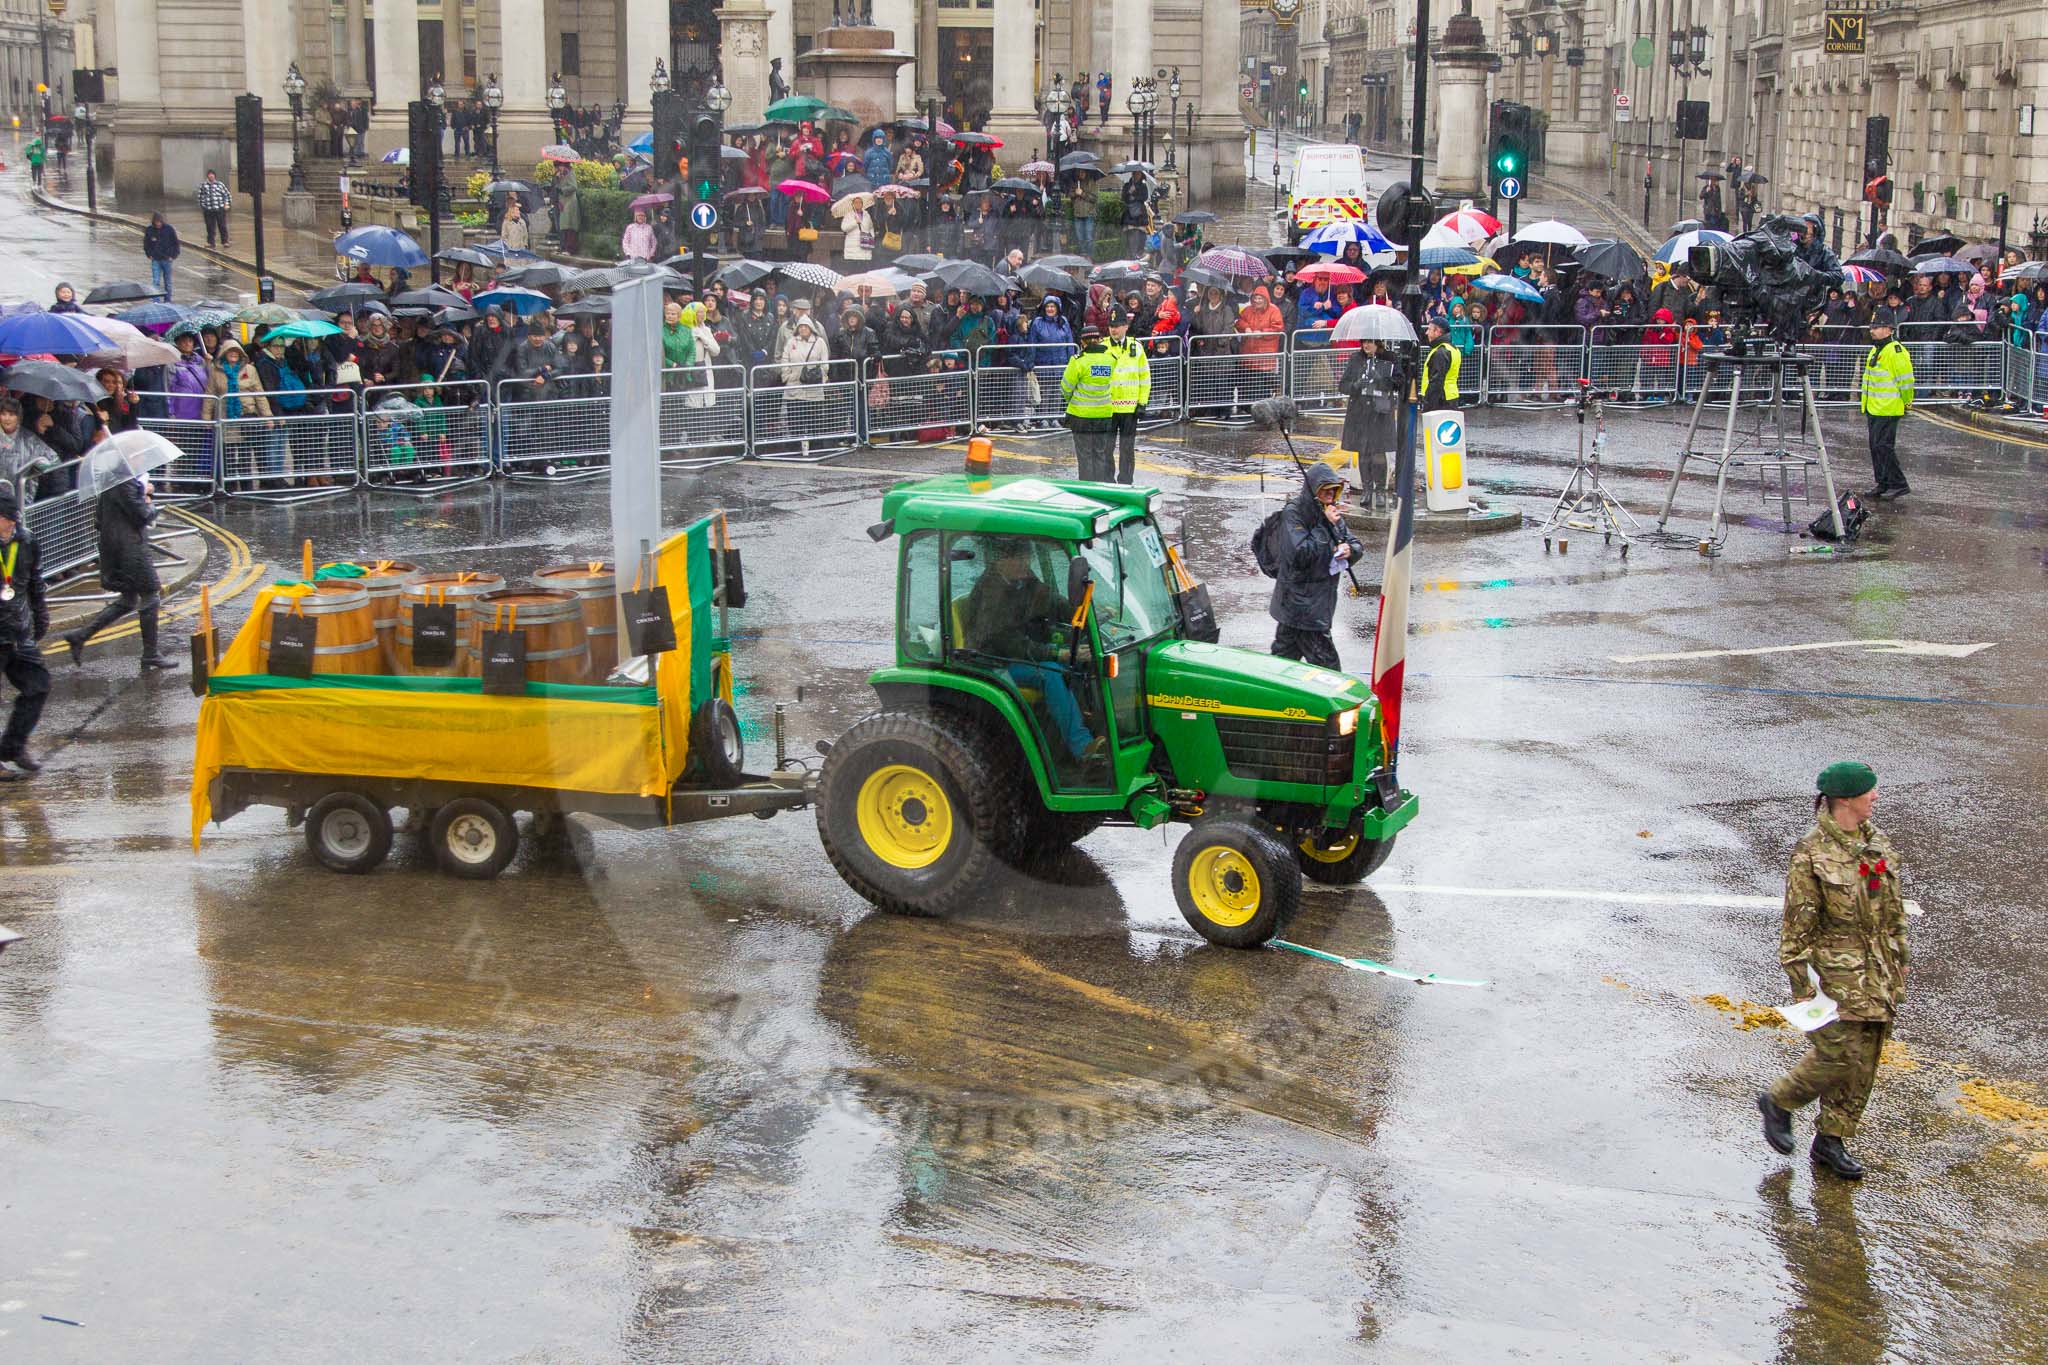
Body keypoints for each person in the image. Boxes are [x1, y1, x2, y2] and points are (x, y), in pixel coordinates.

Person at [1757, 762, 1907, 1181]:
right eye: (1869, 792)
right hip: (1833, 972)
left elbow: (1891, 910)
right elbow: (1797, 924)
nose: (1875, 797)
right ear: (1846, 800)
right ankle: (1779, 1100)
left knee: (1865, 1059)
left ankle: (1831, 1139)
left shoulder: (1878, 846)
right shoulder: (1812, 852)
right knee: (1838, 1053)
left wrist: (1901, 960)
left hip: (1877, 970)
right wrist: (1800, 983)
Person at [960, 538, 1101, 763]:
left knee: (1081, 664)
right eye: (1020, 558)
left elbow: (1053, 602)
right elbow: (1008, 643)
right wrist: (1057, 653)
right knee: (1051, 673)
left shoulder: (1022, 580)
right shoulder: (991, 592)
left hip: (1020, 653)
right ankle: (1082, 748)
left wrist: (1090, 616)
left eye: (1028, 557)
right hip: (994, 662)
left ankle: (1085, 732)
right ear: (1001, 561)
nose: (1026, 562)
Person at [63, 472, 178, 671]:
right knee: (151, 596)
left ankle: (80, 636)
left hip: (116, 547)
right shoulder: (126, 482)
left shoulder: (111, 480)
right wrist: (148, 498)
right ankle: (150, 654)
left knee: (128, 600)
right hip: (131, 548)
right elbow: (143, 515)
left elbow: (98, 520)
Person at [1267, 463, 1365, 670]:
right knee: (1328, 670)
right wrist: (1325, 525)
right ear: (1314, 490)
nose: (1331, 494)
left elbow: (1354, 543)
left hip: (1315, 604)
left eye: (1334, 490)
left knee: (1282, 662)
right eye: (1326, 489)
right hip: (1302, 607)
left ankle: (1272, 696)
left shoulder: (1331, 514)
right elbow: (1300, 553)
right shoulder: (1294, 514)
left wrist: (1351, 551)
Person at [0, 488, 49, 778]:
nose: (11, 524)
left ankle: (13, 747)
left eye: (12, 519)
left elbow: (34, 582)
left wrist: (40, 617)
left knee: (38, 686)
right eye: (7, 519)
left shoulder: (27, 541)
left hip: (17, 633)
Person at [1339, 338, 1402, 508]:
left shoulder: (1390, 358)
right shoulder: (1356, 358)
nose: (1366, 345)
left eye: (1370, 342)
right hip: (1360, 411)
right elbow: (1343, 385)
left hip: (1380, 412)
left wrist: (1381, 380)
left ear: (1378, 343)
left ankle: (1380, 491)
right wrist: (1357, 385)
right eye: (1364, 342)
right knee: (1363, 451)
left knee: (1378, 452)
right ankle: (1367, 490)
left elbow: (1399, 382)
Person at [1860, 312, 1914, 500]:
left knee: (1883, 446)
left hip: (1889, 407)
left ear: (1889, 329)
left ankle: (1898, 483)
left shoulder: (1896, 351)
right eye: (1872, 327)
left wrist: (1907, 401)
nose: (1872, 330)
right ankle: (1882, 482)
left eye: (1876, 327)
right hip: (1874, 407)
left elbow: (1906, 381)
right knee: (1875, 447)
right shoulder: (1876, 350)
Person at [1061, 322, 1117, 481]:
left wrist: (1071, 400)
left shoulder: (1078, 361)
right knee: (1100, 453)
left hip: (1081, 416)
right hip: (1104, 415)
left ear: (1082, 343)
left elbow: (1065, 387)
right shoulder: (1111, 360)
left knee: (1084, 455)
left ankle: (1087, 489)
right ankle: (1099, 488)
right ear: (1099, 340)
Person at [1104, 307, 1151, 484]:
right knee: (1106, 449)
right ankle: (1108, 481)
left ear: (1125, 327)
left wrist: (1142, 402)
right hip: (1108, 408)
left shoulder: (1136, 348)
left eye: (1117, 326)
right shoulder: (1103, 347)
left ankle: (1125, 482)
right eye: (1111, 326)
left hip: (1130, 409)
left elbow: (1144, 376)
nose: (1113, 329)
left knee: (1127, 449)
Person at [1420, 315, 1462, 408]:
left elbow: (1436, 380)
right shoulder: (1452, 349)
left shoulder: (1441, 352)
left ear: (1438, 331)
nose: (1426, 333)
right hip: (1450, 396)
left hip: (1440, 400)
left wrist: (1428, 403)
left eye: (1429, 329)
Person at [142, 212, 181, 301]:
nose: (158, 224)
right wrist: (149, 254)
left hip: (167, 259)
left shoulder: (169, 229)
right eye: (156, 222)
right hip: (155, 259)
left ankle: (167, 301)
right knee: (155, 282)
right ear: (153, 222)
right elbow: (146, 244)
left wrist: (173, 256)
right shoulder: (149, 230)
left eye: (159, 222)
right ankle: (156, 301)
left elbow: (176, 244)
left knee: (167, 282)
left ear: (162, 221)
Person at [196, 170, 232, 248]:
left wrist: (227, 205)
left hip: (220, 209)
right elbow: (200, 197)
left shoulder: (220, 184)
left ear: (215, 176)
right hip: (208, 210)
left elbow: (227, 195)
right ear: (207, 176)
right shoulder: (203, 185)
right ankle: (211, 242)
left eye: (212, 175)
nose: (211, 176)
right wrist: (203, 207)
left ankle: (225, 242)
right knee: (210, 226)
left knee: (222, 226)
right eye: (209, 175)